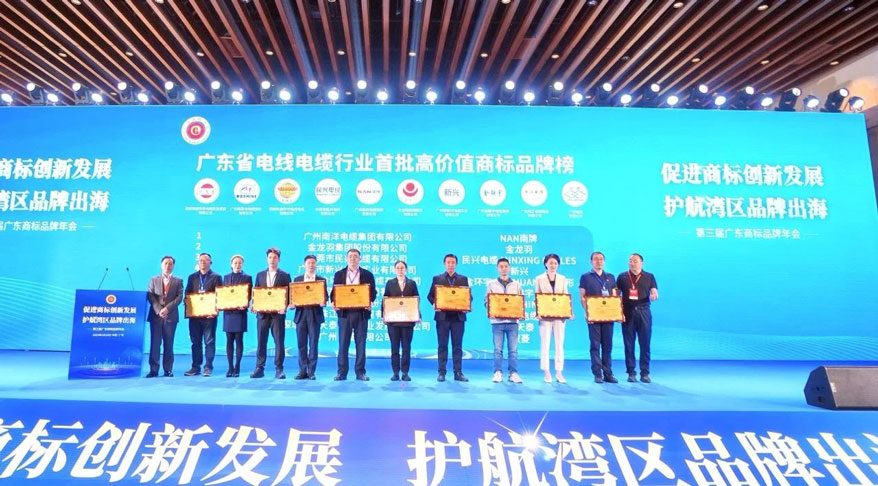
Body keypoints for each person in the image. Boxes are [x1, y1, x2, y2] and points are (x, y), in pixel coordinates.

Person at [332, 248, 377, 381]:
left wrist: (369, 301)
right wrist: (334, 302)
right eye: (350, 256)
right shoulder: (339, 274)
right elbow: (333, 293)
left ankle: (360, 372)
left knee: (361, 344)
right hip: (344, 314)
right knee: (343, 344)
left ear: (360, 259)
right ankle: (342, 372)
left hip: (361, 313)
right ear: (346, 259)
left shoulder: (367, 274)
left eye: (355, 256)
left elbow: (373, 292)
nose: (353, 259)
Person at [427, 253, 471, 382]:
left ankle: (458, 372)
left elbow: (468, 296)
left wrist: (467, 305)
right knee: (442, 346)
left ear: (456, 264)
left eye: (453, 262)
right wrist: (435, 303)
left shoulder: (463, 279)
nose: (450, 265)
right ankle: (441, 372)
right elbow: (430, 296)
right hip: (442, 317)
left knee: (457, 346)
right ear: (444, 264)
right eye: (448, 262)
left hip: (458, 317)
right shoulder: (437, 278)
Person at [616, 253, 659, 383]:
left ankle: (645, 373)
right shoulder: (622, 277)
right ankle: (631, 373)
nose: (632, 263)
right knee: (629, 344)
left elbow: (654, 291)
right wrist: (617, 312)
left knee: (645, 343)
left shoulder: (649, 276)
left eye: (635, 261)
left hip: (643, 311)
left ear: (642, 263)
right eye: (630, 261)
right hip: (628, 312)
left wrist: (654, 294)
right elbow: (616, 295)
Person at [251, 247, 291, 379]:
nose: (272, 260)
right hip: (262, 314)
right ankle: (259, 368)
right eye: (270, 257)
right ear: (266, 259)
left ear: (279, 259)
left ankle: (279, 369)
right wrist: (254, 305)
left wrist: (284, 307)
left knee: (279, 342)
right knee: (261, 342)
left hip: (277, 315)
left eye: (275, 257)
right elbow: (256, 293)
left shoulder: (285, 275)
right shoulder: (260, 275)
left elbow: (289, 295)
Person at [579, 251, 618, 384]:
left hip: (608, 316)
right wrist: (587, 312)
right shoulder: (585, 277)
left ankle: (608, 373)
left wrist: (616, 312)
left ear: (604, 261)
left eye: (601, 259)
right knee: (595, 345)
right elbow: (582, 297)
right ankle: (597, 373)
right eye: (596, 259)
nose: (598, 261)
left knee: (607, 346)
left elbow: (614, 296)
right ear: (591, 261)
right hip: (594, 316)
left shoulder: (610, 277)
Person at [184, 253, 222, 377]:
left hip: (209, 316)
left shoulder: (216, 277)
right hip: (195, 316)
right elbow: (187, 294)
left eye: (206, 260)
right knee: (195, 342)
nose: (203, 262)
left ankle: (208, 367)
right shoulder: (192, 277)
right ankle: (195, 367)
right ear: (198, 262)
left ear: (211, 263)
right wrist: (188, 305)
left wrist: (215, 310)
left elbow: (220, 296)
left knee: (209, 342)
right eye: (201, 260)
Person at [534, 253, 571, 384]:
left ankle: (559, 372)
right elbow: (537, 296)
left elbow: (566, 296)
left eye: (555, 263)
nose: (553, 265)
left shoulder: (562, 278)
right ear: (545, 264)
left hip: (559, 316)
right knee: (545, 344)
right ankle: (546, 371)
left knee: (559, 344)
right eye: (551, 263)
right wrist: (538, 312)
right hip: (544, 316)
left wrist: (568, 312)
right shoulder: (539, 278)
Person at [486, 258, 523, 384]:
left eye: (506, 266)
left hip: (513, 322)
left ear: (509, 268)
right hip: (497, 322)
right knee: (498, 350)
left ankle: (513, 373)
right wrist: (493, 309)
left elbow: (520, 302)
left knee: (513, 350)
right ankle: (497, 372)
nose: (504, 269)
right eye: (501, 266)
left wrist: (520, 313)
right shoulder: (491, 284)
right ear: (497, 268)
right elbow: (487, 301)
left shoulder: (517, 285)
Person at [292, 254, 328, 380]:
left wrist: (324, 301)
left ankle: (311, 371)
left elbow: (325, 296)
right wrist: (292, 303)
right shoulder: (297, 280)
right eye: (309, 263)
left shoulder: (321, 280)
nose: (311, 265)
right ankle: (302, 370)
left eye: (313, 263)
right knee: (301, 344)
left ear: (316, 264)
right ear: (304, 265)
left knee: (313, 344)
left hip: (314, 314)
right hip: (301, 315)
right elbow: (293, 296)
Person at [382, 260, 419, 381]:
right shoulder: (390, 283)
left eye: (402, 268)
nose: (400, 270)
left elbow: (416, 300)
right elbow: (385, 300)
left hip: (408, 321)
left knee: (406, 348)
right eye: (398, 268)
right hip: (393, 322)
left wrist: (417, 315)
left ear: (406, 270)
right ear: (394, 270)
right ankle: (395, 372)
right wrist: (384, 315)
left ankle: (405, 372)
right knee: (394, 348)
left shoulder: (412, 283)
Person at [146, 256, 183, 377]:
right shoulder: (153, 279)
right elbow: (150, 296)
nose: (168, 266)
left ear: (173, 266)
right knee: (155, 344)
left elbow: (179, 297)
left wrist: (167, 309)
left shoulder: (178, 281)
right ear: (161, 265)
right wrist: (159, 310)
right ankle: (153, 370)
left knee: (169, 344)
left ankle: (168, 370)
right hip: (156, 316)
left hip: (171, 316)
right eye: (165, 263)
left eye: (170, 264)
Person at [222, 254, 251, 378]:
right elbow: (223, 294)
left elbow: (249, 295)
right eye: (235, 263)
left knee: (239, 340)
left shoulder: (247, 277)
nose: (237, 265)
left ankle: (237, 367)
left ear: (242, 265)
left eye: (240, 263)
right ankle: (230, 367)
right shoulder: (226, 277)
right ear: (231, 264)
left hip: (240, 314)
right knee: (229, 341)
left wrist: (245, 304)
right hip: (228, 313)